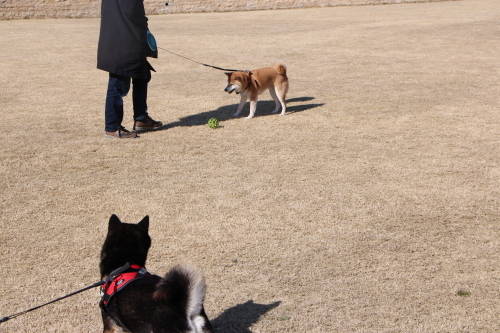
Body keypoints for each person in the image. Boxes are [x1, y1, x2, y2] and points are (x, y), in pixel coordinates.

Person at [97, 0, 162, 138]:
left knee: (142, 74)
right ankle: (112, 127)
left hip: (124, 34)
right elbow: (133, 11)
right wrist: (144, 26)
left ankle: (141, 119)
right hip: (123, 36)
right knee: (118, 82)